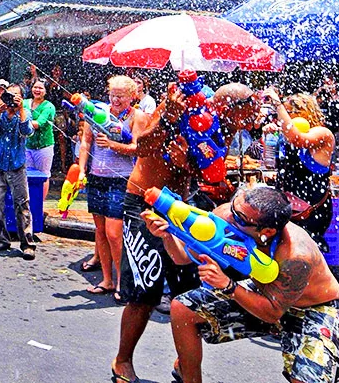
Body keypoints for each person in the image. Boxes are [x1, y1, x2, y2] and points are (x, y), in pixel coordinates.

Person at [112, 82, 262, 383]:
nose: (251, 121)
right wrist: (168, 119)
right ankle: (122, 361)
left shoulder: (221, 125)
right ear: (228, 107)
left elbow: (205, 169)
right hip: (145, 202)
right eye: (246, 114)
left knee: (191, 290)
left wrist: (209, 178)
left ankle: (185, 364)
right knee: (146, 290)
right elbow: (139, 146)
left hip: (183, 206)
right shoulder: (178, 105)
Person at [145, 184, 339, 383]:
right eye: (233, 207)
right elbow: (182, 257)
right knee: (183, 309)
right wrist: (167, 235)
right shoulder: (227, 214)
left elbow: (272, 312)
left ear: (267, 230)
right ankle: (188, 375)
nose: (230, 217)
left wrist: (228, 286)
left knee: (307, 379)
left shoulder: (296, 256)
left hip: (313, 309)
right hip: (262, 293)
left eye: (239, 218)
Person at [79, 76, 139, 299]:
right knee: (101, 231)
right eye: (112, 95)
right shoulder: (96, 112)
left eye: (120, 96)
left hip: (120, 179)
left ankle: (123, 283)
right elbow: (86, 142)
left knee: (115, 234)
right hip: (97, 177)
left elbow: (136, 148)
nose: (115, 99)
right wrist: (82, 170)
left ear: (131, 96)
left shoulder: (135, 116)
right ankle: (106, 280)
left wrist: (113, 144)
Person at [263, 89, 335, 245]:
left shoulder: (322, 132)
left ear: (303, 112)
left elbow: (298, 139)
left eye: (288, 112)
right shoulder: (290, 132)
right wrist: (272, 135)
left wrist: (278, 104)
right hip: (290, 206)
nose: (284, 117)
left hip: (311, 209)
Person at [0, 84, 36, 260]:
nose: (11, 98)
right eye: (9, 95)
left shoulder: (25, 112)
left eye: (16, 95)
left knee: (22, 205)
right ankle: (1, 239)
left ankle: (27, 243)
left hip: (17, 166)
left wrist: (20, 111)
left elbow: (27, 132)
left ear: (22, 98)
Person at [24, 79, 56, 200]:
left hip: (44, 146)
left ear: (46, 91)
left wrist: (21, 123)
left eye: (41, 88)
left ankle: (40, 204)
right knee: (27, 175)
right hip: (28, 146)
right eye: (35, 87)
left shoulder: (49, 106)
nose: (37, 90)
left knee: (43, 175)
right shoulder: (25, 103)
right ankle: (29, 202)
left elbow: (39, 123)